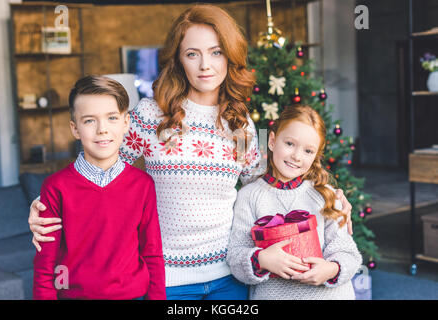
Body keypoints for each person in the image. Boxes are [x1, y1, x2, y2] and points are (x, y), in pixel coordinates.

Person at [28, 5, 353, 300]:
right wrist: (43, 206)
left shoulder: (242, 126)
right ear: (178, 59)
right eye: (192, 54)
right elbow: (101, 175)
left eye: (216, 52)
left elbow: (268, 191)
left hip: (230, 278)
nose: (206, 66)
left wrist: (328, 199)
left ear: (230, 56)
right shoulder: (150, 115)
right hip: (165, 279)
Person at [33, 75, 166, 300]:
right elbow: (45, 265)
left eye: (112, 118)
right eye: (89, 121)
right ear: (75, 129)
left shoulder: (143, 185)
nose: (102, 129)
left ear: (126, 123)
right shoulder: (55, 187)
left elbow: (152, 253)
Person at [227, 104, 362, 300]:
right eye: (289, 144)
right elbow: (236, 256)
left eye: (308, 151)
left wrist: (331, 269)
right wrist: (261, 259)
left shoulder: (326, 196)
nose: (297, 156)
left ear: (316, 156)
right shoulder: (249, 196)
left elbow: (349, 254)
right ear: (272, 141)